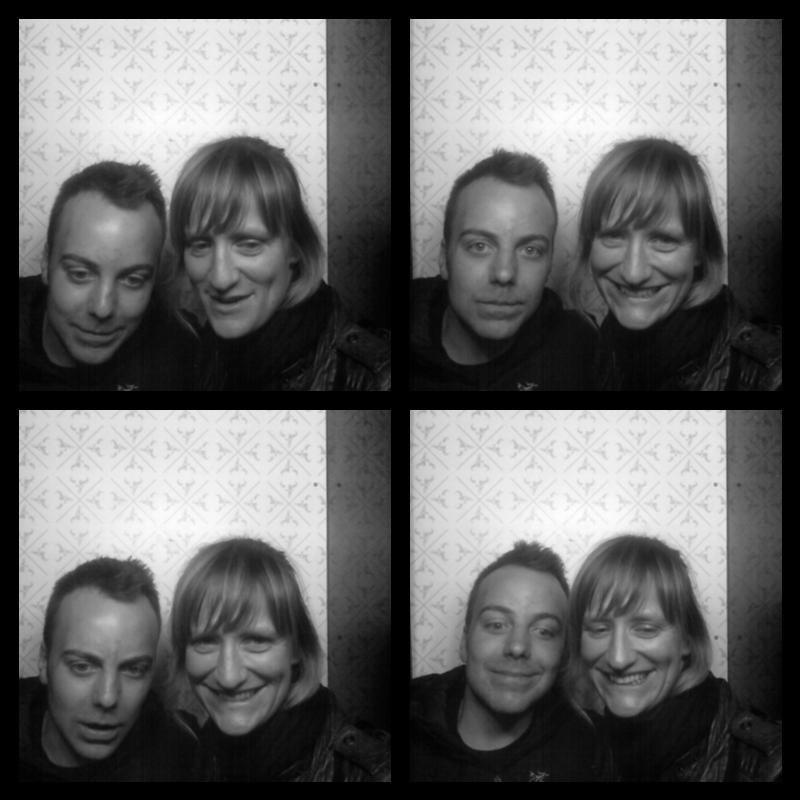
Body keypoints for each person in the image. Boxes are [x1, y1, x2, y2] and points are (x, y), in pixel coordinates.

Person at [169, 136, 390, 391]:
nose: (220, 278)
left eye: (249, 244)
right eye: (200, 245)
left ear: (296, 248)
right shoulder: (201, 354)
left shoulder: (375, 379)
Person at [169, 537, 390, 781]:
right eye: (205, 642)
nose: (229, 678)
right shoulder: (194, 756)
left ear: (297, 648)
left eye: (256, 640)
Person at [571, 137, 781, 390]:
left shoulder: (769, 376)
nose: (634, 273)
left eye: (663, 240)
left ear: (700, 251)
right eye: (613, 236)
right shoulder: (597, 350)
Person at [567, 534, 782, 781]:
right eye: (598, 629)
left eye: (646, 629)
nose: (618, 659)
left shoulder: (768, 764)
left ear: (687, 639)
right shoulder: (582, 747)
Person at [410, 541, 598, 781]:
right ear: (464, 642)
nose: (518, 647)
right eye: (496, 625)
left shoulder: (589, 747)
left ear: (563, 654)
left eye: (544, 631)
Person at [411, 149, 596, 390]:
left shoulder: (581, 348)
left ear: (549, 264)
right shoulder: (382, 348)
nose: (504, 274)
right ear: (444, 260)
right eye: (479, 246)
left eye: (531, 250)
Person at [19, 161, 197, 390]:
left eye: (133, 280)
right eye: (80, 274)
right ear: (46, 262)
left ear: (154, 280)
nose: (102, 309)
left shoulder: (182, 353)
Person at [19, 557, 197, 781]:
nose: (107, 698)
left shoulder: (181, 756)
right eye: (82, 667)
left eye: (134, 669)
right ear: (44, 661)